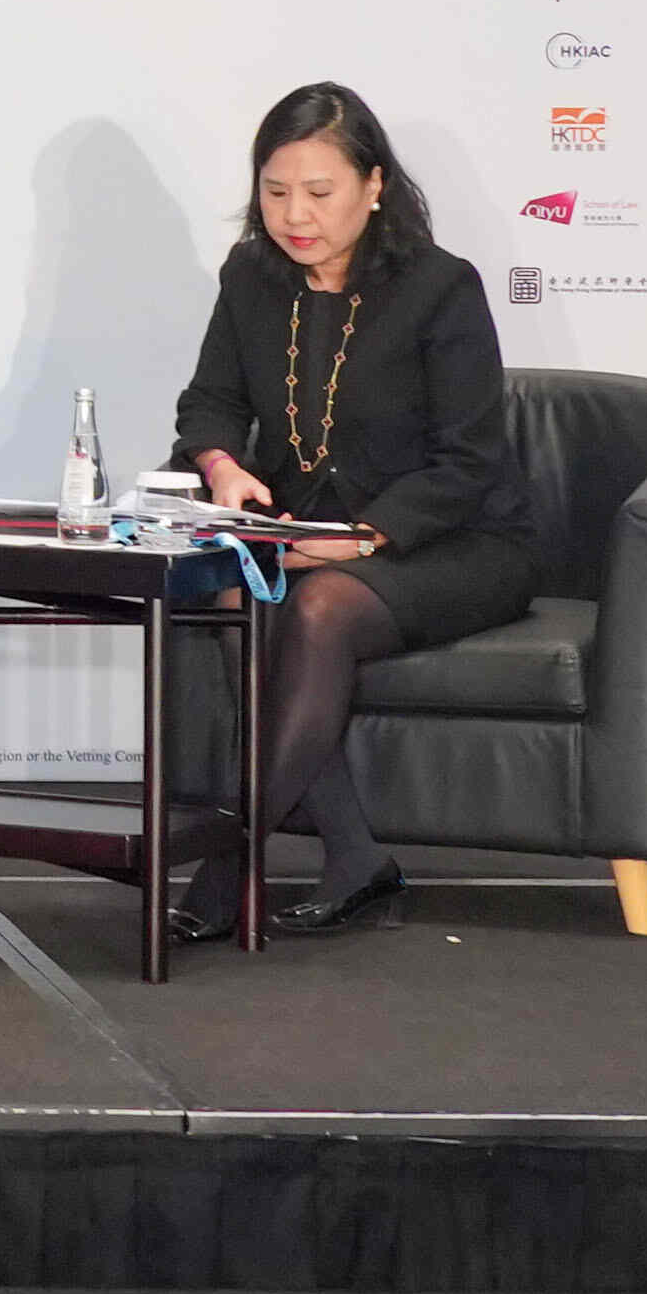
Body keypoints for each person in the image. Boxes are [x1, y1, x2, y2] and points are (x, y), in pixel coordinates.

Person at [165, 79, 537, 940]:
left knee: (321, 609)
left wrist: (362, 540)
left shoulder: (440, 287)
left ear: (374, 186)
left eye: (319, 192)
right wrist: (222, 467)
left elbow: (470, 461)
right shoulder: (250, 276)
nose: (295, 215)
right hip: (305, 532)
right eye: (275, 191)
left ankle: (225, 867)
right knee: (237, 598)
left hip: (457, 541)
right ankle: (356, 859)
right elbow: (210, 402)